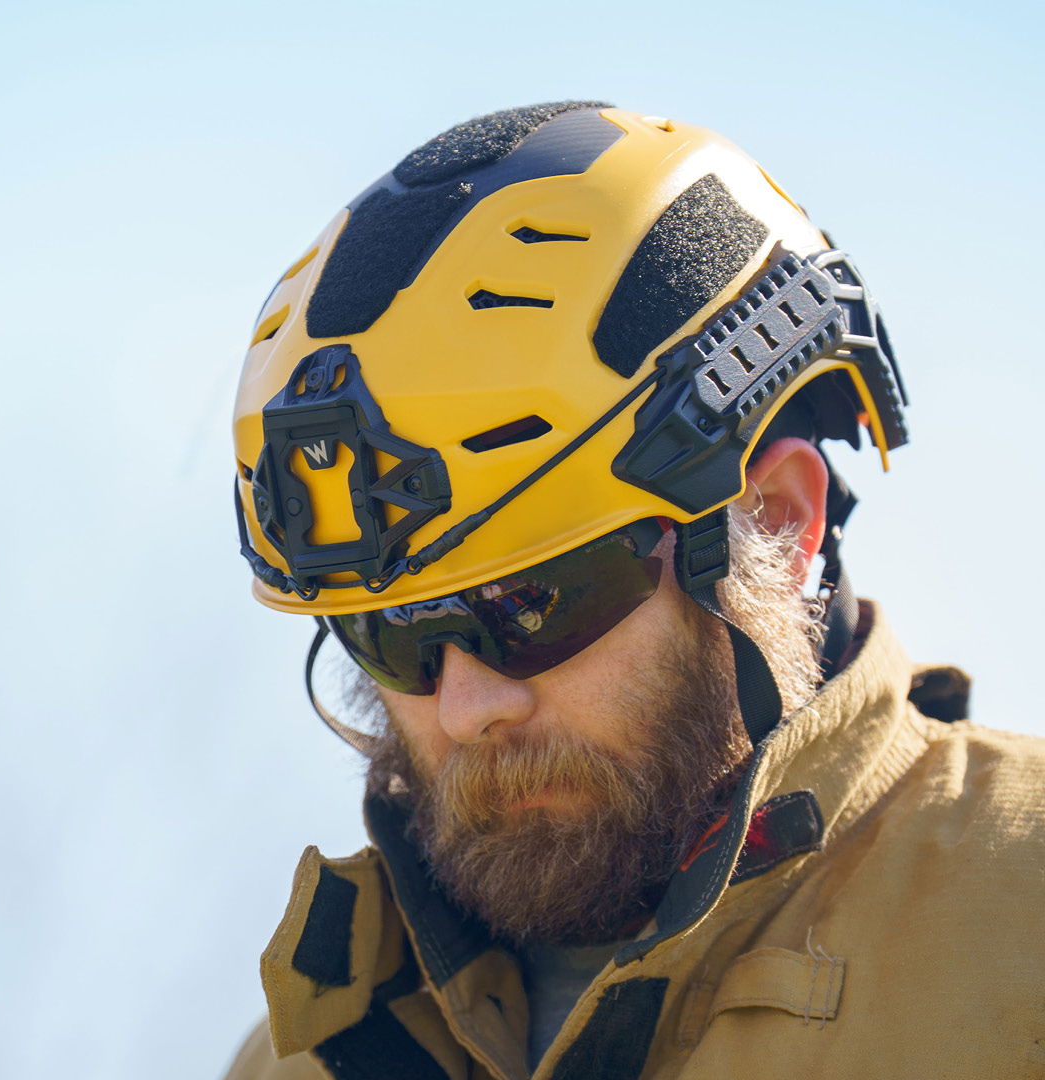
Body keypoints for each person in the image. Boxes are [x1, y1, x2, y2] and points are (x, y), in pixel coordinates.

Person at [220, 103, 1045, 1080]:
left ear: (774, 525)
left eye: (531, 603)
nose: (467, 708)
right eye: (389, 632)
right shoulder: (298, 1058)